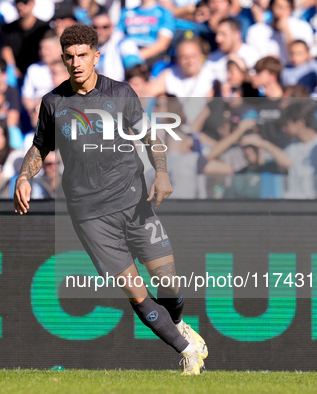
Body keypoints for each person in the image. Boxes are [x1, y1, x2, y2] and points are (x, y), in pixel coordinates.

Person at [13, 23, 207, 375]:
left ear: (96, 56)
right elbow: (41, 146)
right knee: (135, 292)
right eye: (69, 56)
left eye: (83, 55)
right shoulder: (54, 103)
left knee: (170, 283)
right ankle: (188, 352)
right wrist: (24, 175)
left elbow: (151, 137)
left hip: (134, 204)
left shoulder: (120, 94)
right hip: (90, 215)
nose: (76, 62)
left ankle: (178, 327)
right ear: (62, 58)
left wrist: (161, 172)